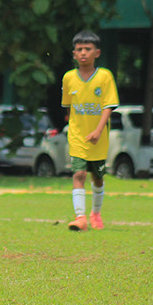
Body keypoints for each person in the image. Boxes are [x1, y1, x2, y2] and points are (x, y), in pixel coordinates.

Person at [62, 30, 120, 231]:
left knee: (97, 177)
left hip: (98, 137)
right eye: (79, 49)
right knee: (78, 174)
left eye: (88, 49)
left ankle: (96, 214)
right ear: (74, 54)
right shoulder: (68, 78)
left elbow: (108, 106)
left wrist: (98, 130)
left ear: (97, 52)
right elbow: (69, 107)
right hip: (77, 136)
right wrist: (72, 127)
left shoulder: (104, 76)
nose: (83, 53)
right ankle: (80, 218)